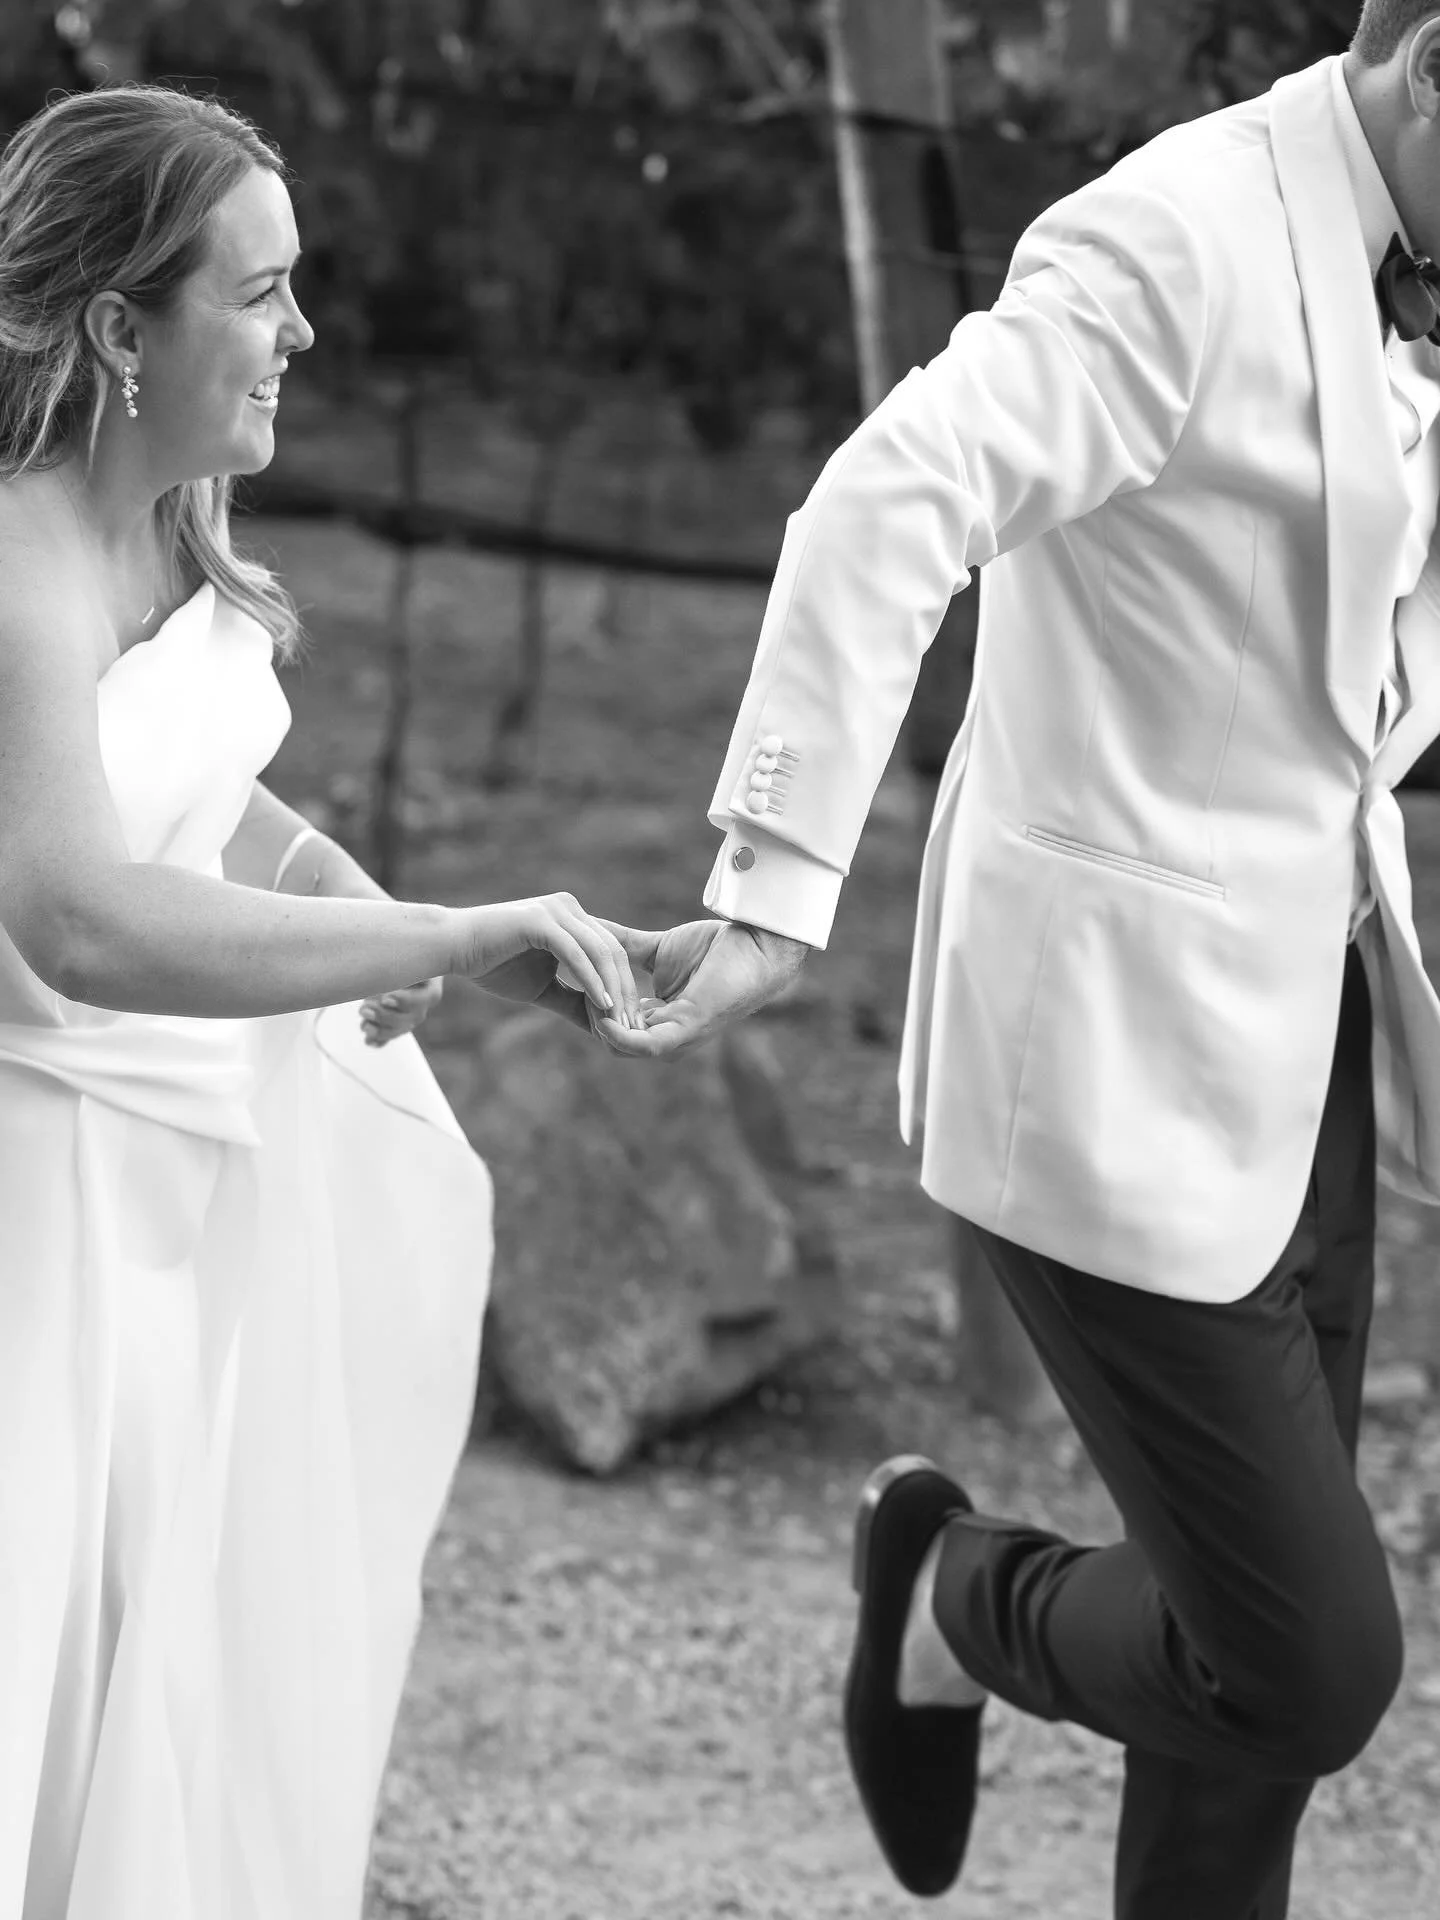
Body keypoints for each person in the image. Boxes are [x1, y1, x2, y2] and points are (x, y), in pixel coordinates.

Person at [600, 4, 1440, 1914]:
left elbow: (1343, 642)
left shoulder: (1405, 247)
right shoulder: (1175, 237)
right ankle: (952, 1601)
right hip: (1104, 1057)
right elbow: (888, 506)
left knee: (1239, 1679)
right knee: (1309, 1659)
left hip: (1299, 1030)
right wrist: (773, 887)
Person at [0, 84, 640, 1919]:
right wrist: (440, 940)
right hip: (34, 1227)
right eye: (260, 294)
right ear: (123, 325)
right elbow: (84, 918)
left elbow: (202, 792)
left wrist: (350, 891)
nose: (302, 331)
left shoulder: (169, 523)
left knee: (142, 1671)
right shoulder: (16, 560)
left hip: (169, 1218)